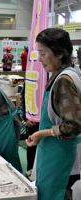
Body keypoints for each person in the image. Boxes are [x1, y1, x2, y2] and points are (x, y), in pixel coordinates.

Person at [26, 28, 81, 200]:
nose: (39, 59)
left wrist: (44, 133)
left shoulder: (64, 81)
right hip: (55, 153)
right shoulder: (68, 73)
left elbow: (75, 124)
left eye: (42, 53)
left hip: (62, 157)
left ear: (59, 53)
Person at [20, 82, 38, 180]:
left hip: (47, 122)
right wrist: (25, 117)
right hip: (33, 120)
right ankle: (30, 171)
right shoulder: (31, 77)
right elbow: (24, 97)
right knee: (32, 146)